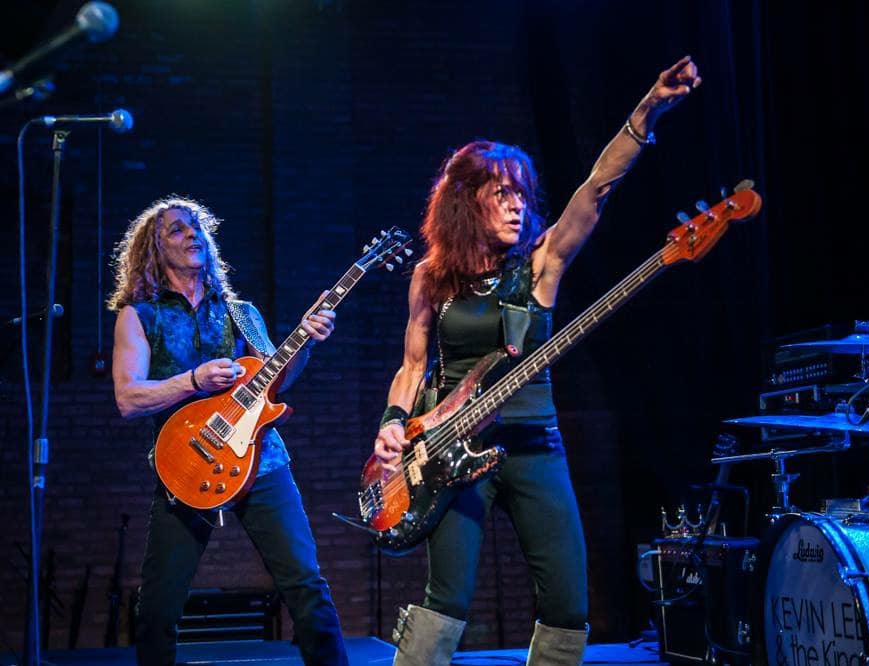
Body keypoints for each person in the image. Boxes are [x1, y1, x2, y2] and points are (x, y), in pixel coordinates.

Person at [373, 56, 701, 665]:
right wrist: (393, 421)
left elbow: (596, 189)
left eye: (522, 193)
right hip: (449, 450)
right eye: (502, 194)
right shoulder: (431, 277)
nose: (516, 205)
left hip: (533, 447)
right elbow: (413, 365)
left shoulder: (540, 264)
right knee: (446, 601)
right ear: (466, 202)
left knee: (568, 604)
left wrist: (648, 109)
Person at [108, 197, 348, 666]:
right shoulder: (139, 315)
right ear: (154, 248)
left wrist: (305, 340)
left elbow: (275, 381)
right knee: (157, 609)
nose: (192, 234)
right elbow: (128, 398)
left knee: (307, 586)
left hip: (262, 460)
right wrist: (193, 380)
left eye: (197, 227)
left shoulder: (241, 312)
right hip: (186, 464)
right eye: (178, 229)